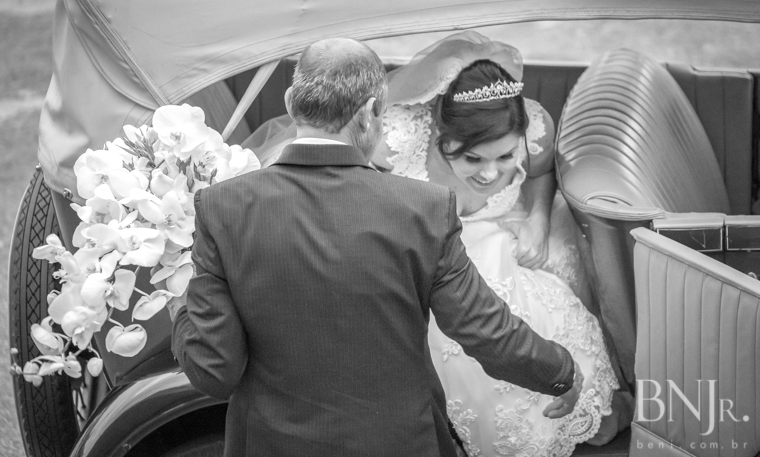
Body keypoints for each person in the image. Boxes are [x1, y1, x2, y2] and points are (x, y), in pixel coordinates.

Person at [169, 37, 583, 457]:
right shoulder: (426, 209)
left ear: (292, 103)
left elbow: (213, 371)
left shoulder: (221, 208)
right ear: (370, 113)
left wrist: (180, 304)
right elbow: (485, 330)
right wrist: (560, 372)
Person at [366, 31, 632, 456]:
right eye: (472, 158)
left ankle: (575, 411)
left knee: (535, 299)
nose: (490, 174)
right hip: (434, 254)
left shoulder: (535, 128)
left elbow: (542, 173)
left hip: (505, 235)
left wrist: (539, 221)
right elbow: (355, 190)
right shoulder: (394, 139)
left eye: (505, 157)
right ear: (441, 134)